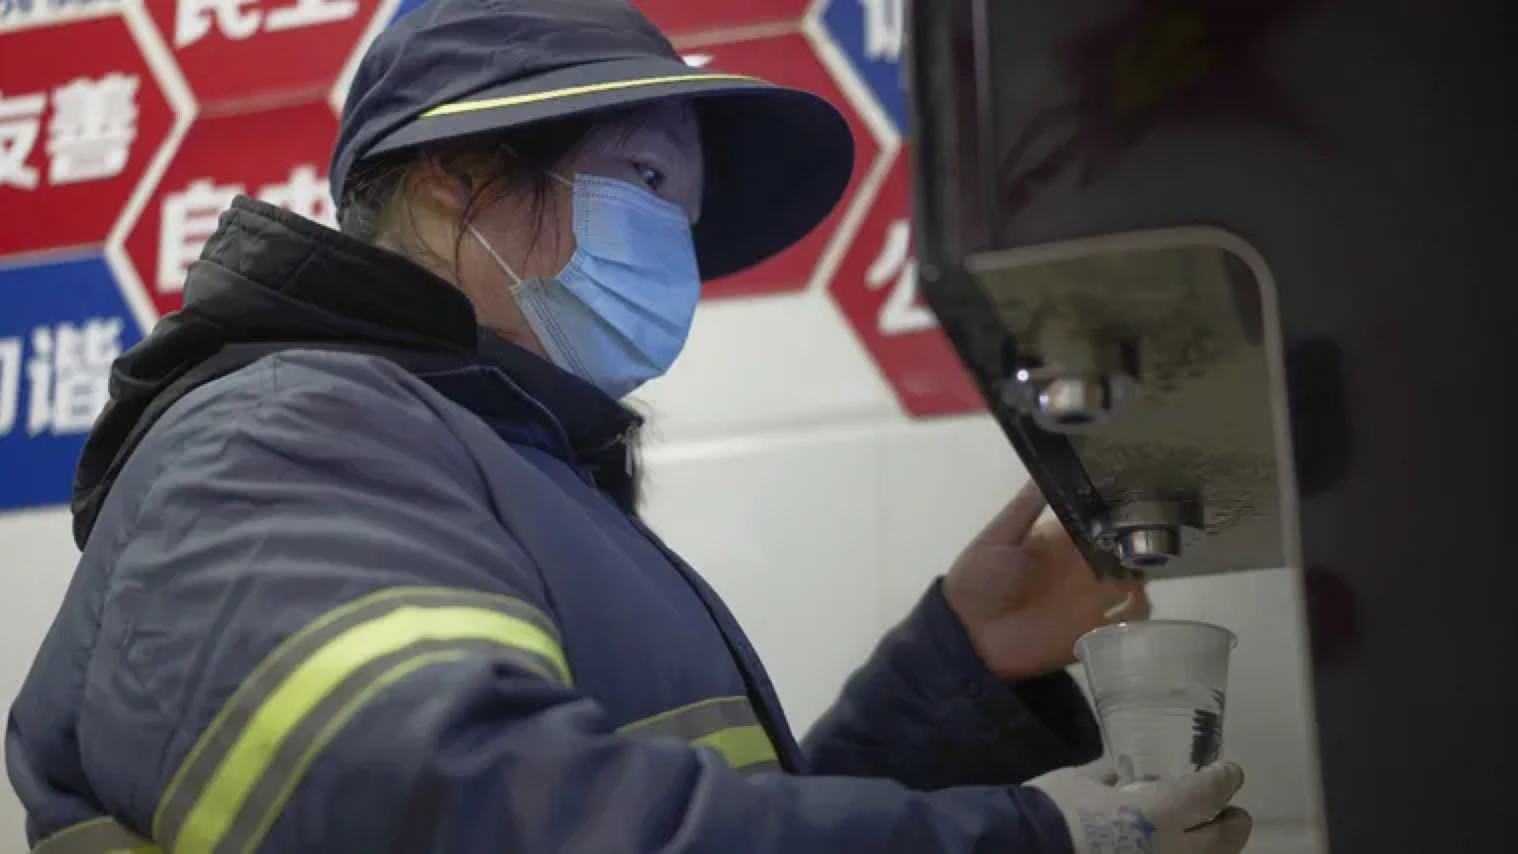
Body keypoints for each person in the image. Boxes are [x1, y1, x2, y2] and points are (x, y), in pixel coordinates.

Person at [6, 1, 1253, 852]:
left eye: (682, 216)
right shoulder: (284, 436)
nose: (673, 253)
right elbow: (480, 817)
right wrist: (1031, 837)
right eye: (647, 180)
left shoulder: (505, 458)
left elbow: (699, 811)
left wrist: (962, 668)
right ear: (455, 183)